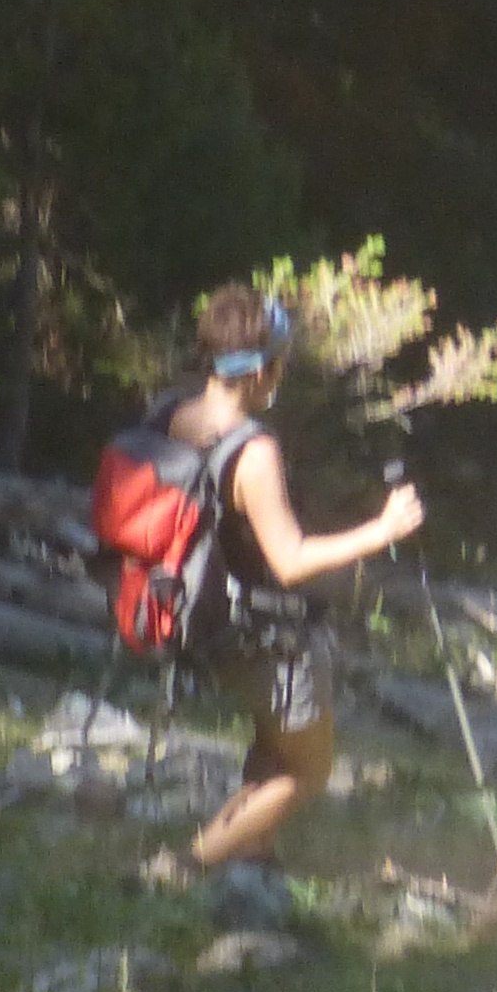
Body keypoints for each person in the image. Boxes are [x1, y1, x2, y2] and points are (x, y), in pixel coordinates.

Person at [165, 288, 426, 873]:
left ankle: (252, 856)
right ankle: (186, 867)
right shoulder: (253, 451)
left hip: (184, 609)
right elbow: (290, 560)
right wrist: (382, 530)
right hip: (254, 631)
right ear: (260, 371)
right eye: (281, 363)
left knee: (275, 739)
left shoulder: (170, 416)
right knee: (307, 769)